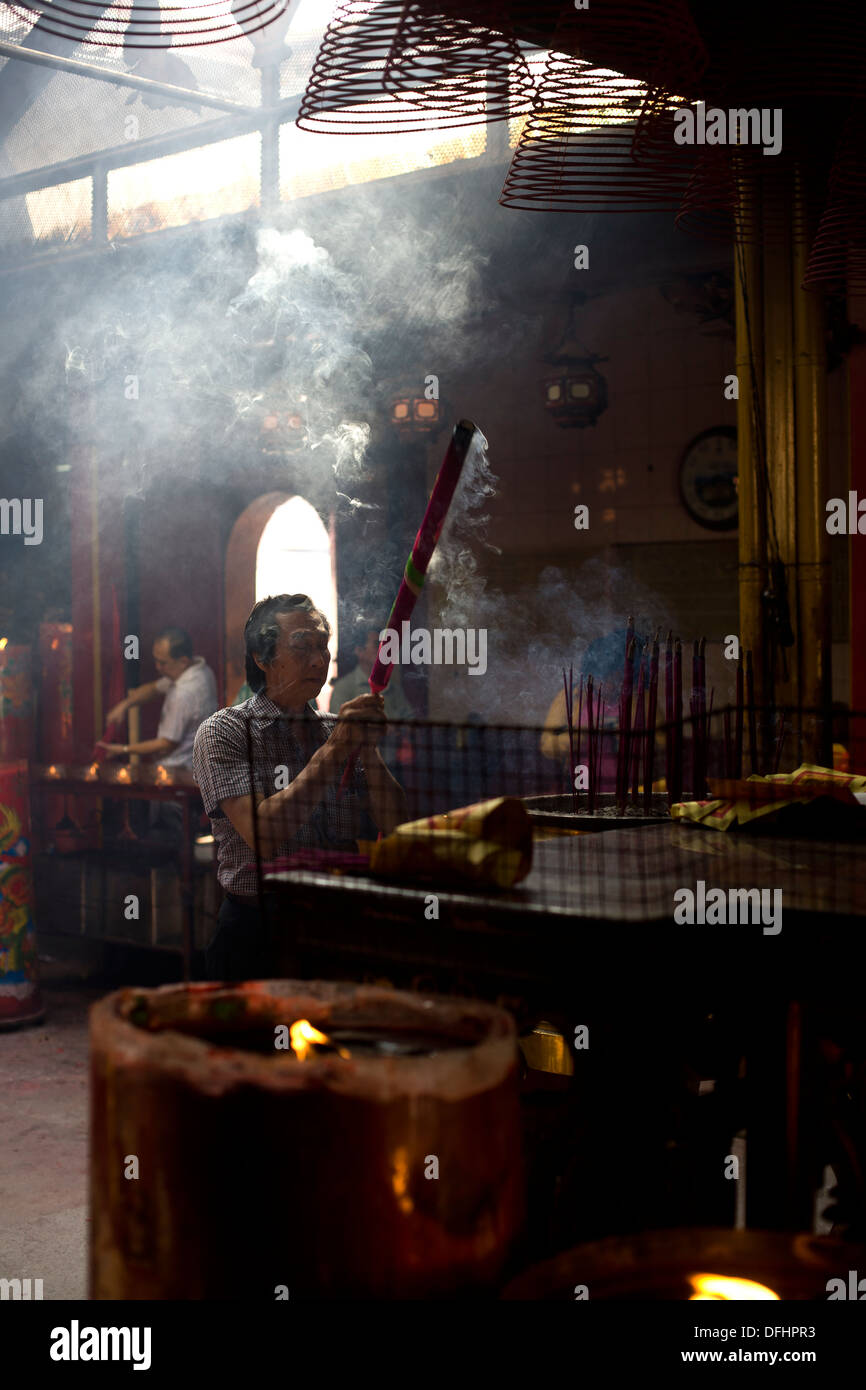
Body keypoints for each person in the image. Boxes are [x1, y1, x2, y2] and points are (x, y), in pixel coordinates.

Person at [192, 594, 407, 982]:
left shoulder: (335, 728)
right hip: (258, 930)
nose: (318, 660)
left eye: (323, 646)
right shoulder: (225, 731)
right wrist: (336, 749)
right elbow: (263, 834)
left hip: (339, 923)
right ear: (262, 657)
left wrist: (367, 748)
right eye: (302, 646)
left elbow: (397, 827)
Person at [99, 627, 218, 840]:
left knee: (172, 842)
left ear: (182, 661)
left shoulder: (184, 692)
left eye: (163, 663)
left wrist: (123, 749)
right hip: (191, 773)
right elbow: (155, 688)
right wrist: (124, 705)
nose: (158, 667)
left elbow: (167, 743)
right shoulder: (201, 670)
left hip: (177, 778)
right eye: (156, 660)